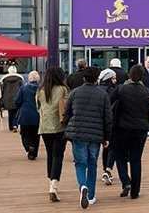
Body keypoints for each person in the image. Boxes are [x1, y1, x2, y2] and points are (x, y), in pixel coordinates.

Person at [64, 66, 112, 209]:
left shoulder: (75, 93)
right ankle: (90, 196)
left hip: (78, 132)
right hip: (96, 134)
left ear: (84, 78)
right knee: (92, 164)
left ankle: (83, 186)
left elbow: (67, 113)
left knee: (80, 163)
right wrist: (107, 137)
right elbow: (108, 118)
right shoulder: (102, 95)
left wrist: (67, 129)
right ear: (97, 79)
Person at [110, 64, 149, 199]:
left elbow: (110, 102)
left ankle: (126, 181)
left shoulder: (121, 89)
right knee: (136, 159)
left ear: (129, 75)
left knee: (119, 156)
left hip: (122, 128)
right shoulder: (146, 91)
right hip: (140, 129)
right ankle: (135, 191)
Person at [37, 66, 69, 202]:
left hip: (44, 127)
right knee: (58, 155)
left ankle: (51, 182)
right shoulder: (63, 89)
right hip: (59, 126)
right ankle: (54, 185)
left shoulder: (41, 90)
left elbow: (38, 108)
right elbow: (67, 107)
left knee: (50, 154)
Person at [98, 68, 118, 186]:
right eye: (114, 78)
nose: (115, 80)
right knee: (112, 146)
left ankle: (105, 169)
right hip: (111, 123)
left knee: (104, 147)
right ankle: (107, 169)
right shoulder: (112, 91)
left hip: (98, 123)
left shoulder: (97, 90)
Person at [15, 70, 41, 160]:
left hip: (25, 115)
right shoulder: (40, 89)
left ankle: (28, 147)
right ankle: (34, 152)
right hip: (37, 115)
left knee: (25, 134)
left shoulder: (23, 88)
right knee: (36, 135)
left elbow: (17, 101)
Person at [2, 65, 24, 132]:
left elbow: (2, 90)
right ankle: (15, 125)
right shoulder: (19, 79)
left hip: (7, 98)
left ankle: (10, 126)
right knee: (16, 113)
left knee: (10, 113)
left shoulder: (5, 80)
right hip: (16, 97)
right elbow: (22, 89)